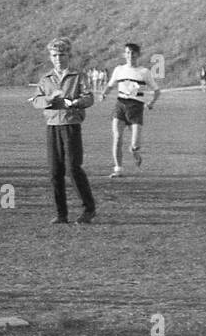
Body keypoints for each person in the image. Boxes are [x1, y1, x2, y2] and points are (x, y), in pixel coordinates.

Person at [30, 37, 96, 224]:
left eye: (62, 54)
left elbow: (89, 98)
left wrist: (76, 102)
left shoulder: (78, 77)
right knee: (55, 171)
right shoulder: (46, 79)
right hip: (52, 127)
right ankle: (61, 213)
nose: (58, 58)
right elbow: (36, 101)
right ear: (51, 57)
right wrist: (49, 100)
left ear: (69, 55)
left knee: (73, 168)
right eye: (55, 55)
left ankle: (88, 208)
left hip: (71, 125)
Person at [100, 42, 161, 177]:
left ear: (138, 55)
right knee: (117, 137)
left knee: (134, 145)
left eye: (133, 53)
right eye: (127, 52)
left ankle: (135, 152)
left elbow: (157, 91)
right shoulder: (119, 70)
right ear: (124, 54)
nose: (130, 55)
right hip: (120, 105)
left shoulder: (144, 72)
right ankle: (118, 169)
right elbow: (110, 85)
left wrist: (151, 102)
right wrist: (104, 93)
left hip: (136, 108)